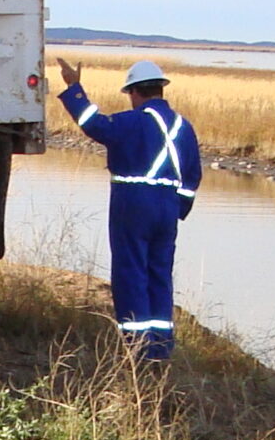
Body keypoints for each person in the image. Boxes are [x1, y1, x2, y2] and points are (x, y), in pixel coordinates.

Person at [55, 57, 201, 360]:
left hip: (133, 202)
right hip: (167, 208)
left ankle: (136, 349)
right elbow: (193, 177)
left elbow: (94, 124)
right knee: (159, 275)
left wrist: (74, 89)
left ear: (134, 92)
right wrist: (178, 208)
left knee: (131, 272)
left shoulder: (133, 121)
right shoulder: (183, 127)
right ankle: (160, 350)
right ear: (160, 89)